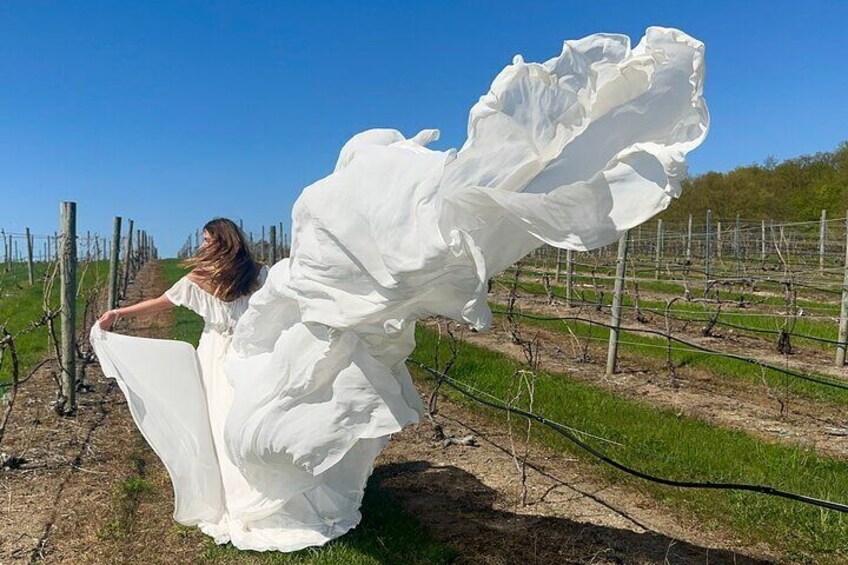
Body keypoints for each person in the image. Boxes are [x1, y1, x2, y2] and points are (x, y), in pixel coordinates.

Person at [92, 26, 709, 553]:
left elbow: (167, 304)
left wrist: (119, 312)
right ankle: (285, 499)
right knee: (264, 417)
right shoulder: (262, 269)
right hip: (265, 342)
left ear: (209, 243)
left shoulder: (255, 252)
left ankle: (250, 499)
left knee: (233, 426)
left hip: (225, 354)